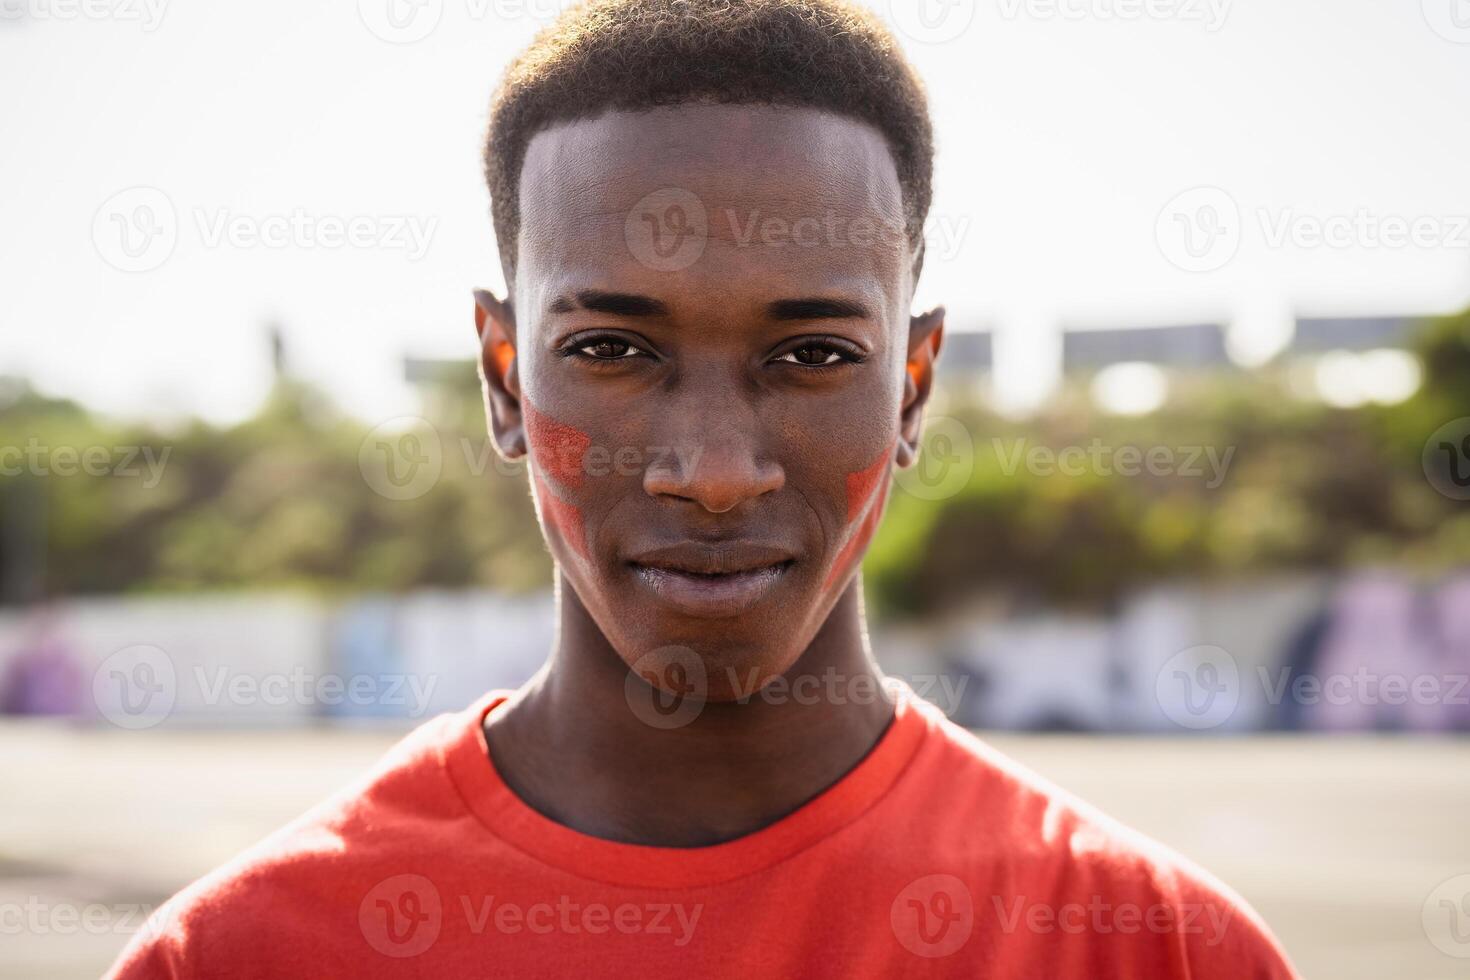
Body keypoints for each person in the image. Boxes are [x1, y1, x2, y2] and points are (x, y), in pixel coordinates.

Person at [108, 1, 1299, 975]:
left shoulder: (1156, 950)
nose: (717, 472)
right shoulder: (242, 955)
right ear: (507, 377)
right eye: (614, 351)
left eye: (816, 355)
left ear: (915, 385)